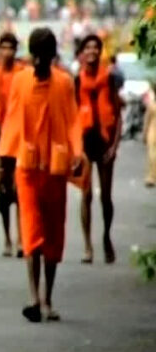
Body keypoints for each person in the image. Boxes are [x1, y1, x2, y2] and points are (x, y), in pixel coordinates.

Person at [0, 28, 82, 323]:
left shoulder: (64, 83)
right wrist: (3, 163)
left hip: (56, 169)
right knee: (32, 232)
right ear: (32, 55)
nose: (40, 61)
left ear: (52, 56)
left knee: (53, 235)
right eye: (37, 56)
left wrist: (78, 154)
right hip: (27, 168)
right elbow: (11, 121)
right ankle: (34, 297)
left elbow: (73, 120)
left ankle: (48, 297)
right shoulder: (21, 82)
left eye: (45, 56)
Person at [75, 34, 123, 264]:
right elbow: (72, 118)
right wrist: (76, 149)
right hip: (85, 143)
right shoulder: (77, 81)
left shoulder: (109, 78)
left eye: (96, 47)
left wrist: (114, 146)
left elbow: (118, 114)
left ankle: (106, 237)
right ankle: (87, 246)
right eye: (88, 47)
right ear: (83, 53)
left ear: (100, 52)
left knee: (105, 197)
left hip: (105, 141)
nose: (92, 51)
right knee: (85, 196)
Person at [0, 33, 25, 258]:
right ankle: (7, 238)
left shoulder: (22, 74)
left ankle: (22, 238)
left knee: (20, 189)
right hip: (1, 138)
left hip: (20, 137)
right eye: (3, 48)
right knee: (3, 190)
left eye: (11, 48)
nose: (7, 52)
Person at [145, 81, 156, 188]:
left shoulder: (152, 105)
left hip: (152, 132)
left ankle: (152, 177)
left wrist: (144, 134)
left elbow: (146, 121)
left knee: (152, 155)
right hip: (152, 132)